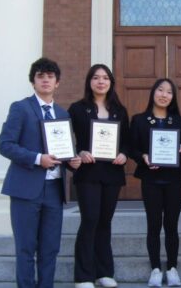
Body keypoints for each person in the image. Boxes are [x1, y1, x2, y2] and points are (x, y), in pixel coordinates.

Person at [0, 57, 81, 288]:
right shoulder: (20, 108)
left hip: (54, 190)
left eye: (50, 76)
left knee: (50, 248)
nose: (45, 80)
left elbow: (63, 151)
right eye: (40, 76)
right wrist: (37, 159)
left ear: (57, 83)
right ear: (33, 82)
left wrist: (71, 161)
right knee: (25, 247)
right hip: (26, 189)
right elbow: (5, 145)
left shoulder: (62, 114)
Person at [68, 64, 129, 288]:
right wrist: (78, 153)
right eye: (96, 78)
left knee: (105, 221)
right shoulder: (77, 108)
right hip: (88, 173)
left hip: (112, 173)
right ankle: (83, 276)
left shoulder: (119, 111)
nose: (101, 81)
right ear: (89, 82)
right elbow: (66, 140)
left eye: (105, 78)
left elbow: (127, 141)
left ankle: (104, 272)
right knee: (90, 219)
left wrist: (124, 154)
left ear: (111, 82)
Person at [129, 79, 181, 287]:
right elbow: (132, 148)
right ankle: (155, 268)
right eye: (160, 90)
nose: (164, 95)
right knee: (153, 224)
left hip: (174, 180)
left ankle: (172, 268)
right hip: (151, 179)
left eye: (169, 92)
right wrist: (144, 157)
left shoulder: (179, 121)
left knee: (171, 225)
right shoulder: (139, 120)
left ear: (173, 97)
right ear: (153, 93)